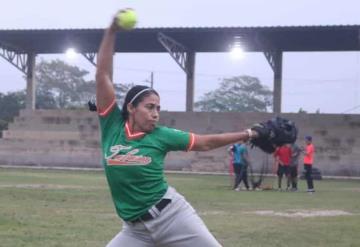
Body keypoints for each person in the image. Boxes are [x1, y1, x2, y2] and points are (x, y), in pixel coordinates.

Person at [96, 10, 262, 247]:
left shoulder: (162, 135)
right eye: (149, 107)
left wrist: (248, 134)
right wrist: (111, 31)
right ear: (131, 107)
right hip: (134, 231)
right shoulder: (112, 125)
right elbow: (103, 75)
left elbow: (205, 142)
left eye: (158, 108)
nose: (155, 113)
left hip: (172, 217)